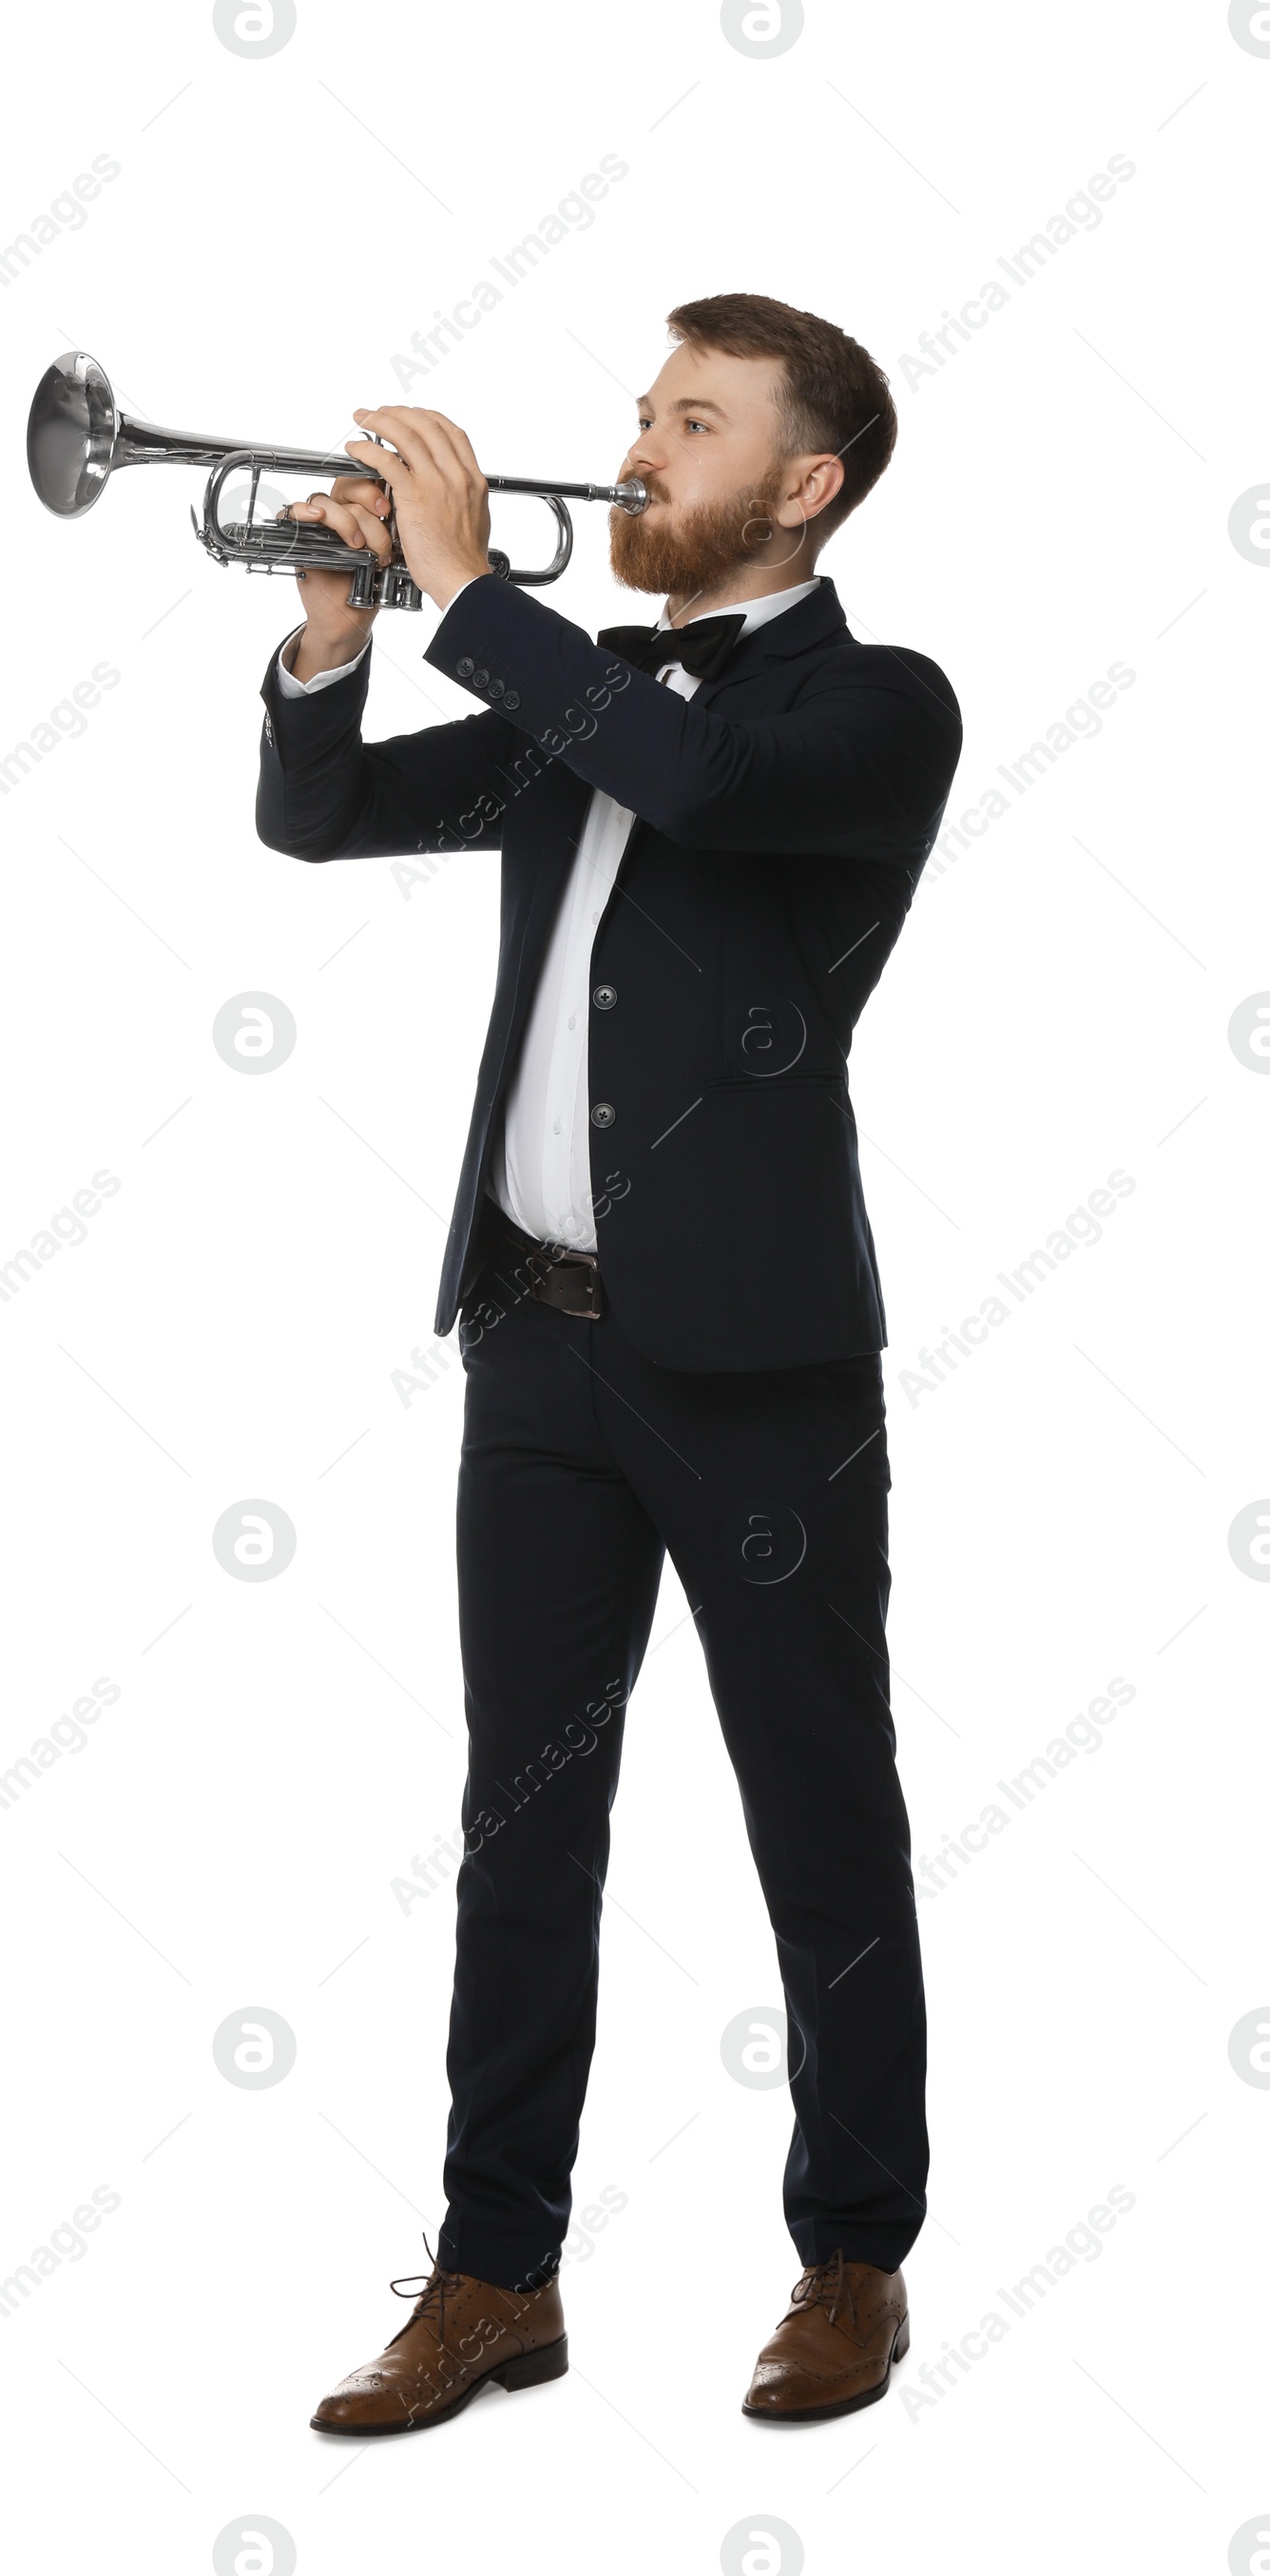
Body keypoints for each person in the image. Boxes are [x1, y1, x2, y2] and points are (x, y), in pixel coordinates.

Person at [256, 293, 962, 2432]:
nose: (636, 452)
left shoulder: (870, 710)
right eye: (639, 412)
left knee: (815, 1814)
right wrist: (332, 631)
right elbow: (324, 820)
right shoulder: (598, 687)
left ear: (802, 483)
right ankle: (493, 2272)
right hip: (533, 1351)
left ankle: (851, 2254)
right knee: (516, 1829)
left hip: (754, 1369)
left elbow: (698, 778)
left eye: (689, 422)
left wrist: (463, 584)